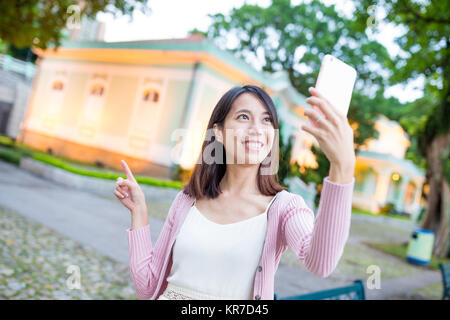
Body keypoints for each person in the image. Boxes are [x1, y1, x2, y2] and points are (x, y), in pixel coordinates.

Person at [114, 85, 356, 300]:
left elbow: (321, 264)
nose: (257, 129)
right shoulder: (187, 200)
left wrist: (342, 167)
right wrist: (139, 212)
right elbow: (147, 288)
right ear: (218, 132)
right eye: (243, 117)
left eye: (266, 120)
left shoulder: (285, 208)